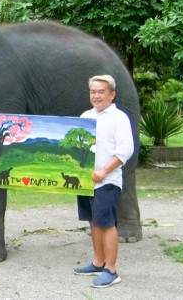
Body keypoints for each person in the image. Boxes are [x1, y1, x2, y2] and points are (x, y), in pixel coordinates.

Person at [73, 75, 134, 288]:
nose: (96, 96)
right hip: (86, 181)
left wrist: (104, 171)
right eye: (93, 92)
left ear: (112, 94)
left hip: (107, 181)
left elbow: (125, 150)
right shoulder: (85, 116)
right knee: (93, 221)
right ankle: (98, 263)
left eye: (101, 92)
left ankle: (111, 270)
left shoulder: (119, 118)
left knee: (107, 224)